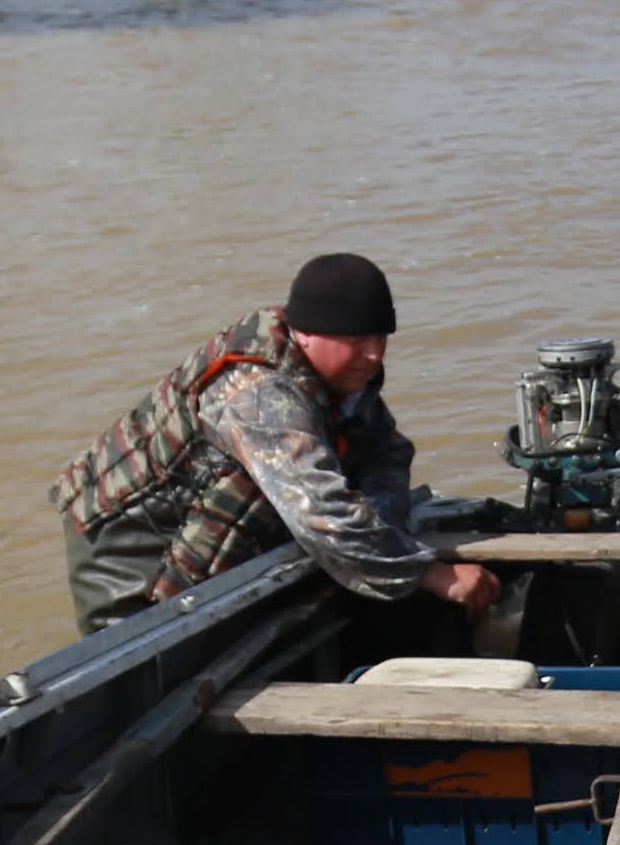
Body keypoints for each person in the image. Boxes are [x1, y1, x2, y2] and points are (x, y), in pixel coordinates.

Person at [50, 251, 501, 635]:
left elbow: (387, 453)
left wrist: (385, 521)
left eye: (381, 337)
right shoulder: (257, 394)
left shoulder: (345, 376)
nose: (374, 353)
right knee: (148, 654)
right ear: (306, 334)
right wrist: (433, 574)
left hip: (213, 523)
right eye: (357, 339)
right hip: (130, 545)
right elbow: (322, 513)